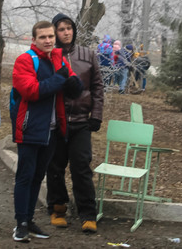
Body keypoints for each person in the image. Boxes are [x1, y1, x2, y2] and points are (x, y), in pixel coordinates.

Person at [10, 20, 83, 242]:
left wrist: (73, 83)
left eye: (51, 36)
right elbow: (32, 91)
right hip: (30, 128)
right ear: (34, 40)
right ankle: (21, 224)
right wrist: (61, 78)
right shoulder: (25, 60)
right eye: (43, 37)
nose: (48, 40)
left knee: (37, 177)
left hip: (52, 130)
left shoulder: (59, 58)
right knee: (25, 177)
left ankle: (29, 219)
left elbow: (75, 86)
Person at [46, 13, 104, 233]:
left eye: (69, 28)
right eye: (61, 29)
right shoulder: (49, 56)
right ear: (55, 32)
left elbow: (97, 87)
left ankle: (88, 214)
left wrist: (96, 115)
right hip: (56, 122)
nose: (66, 32)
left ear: (74, 30)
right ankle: (58, 209)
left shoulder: (88, 55)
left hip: (81, 122)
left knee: (81, 168)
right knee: (55, 167)